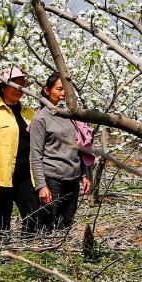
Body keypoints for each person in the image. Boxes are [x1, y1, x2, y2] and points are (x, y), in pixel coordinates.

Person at [0, 67, 39, 234]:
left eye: (21, 86)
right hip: (2, 175)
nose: (19, 90)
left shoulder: (29, 113)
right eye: (14, 86)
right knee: (0, 221)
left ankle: (27, 252)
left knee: (33, 215)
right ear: (3, 88)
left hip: (26, 174)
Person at [29, 72, 92, 232]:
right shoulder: (40, 119)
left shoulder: (71, 115)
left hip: (72, 179)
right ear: (46, 90)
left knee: (66, 224)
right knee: (47, 224)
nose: (63, 93)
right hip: (52, 179)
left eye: (66, 89)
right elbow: (35, 155)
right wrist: (41, 186)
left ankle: (63, 256)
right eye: (59, 89)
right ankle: (45, 256)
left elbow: (79, 148)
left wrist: (84, 173)